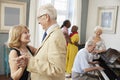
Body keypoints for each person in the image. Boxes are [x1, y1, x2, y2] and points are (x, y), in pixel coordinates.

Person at [17, 4, 67, 80]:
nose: (38, 22)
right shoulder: (51, 34)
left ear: (46, 17)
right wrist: (37, 51)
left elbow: (57, 69)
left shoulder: (56, 36)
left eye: (39, 18)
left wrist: (30, 62)